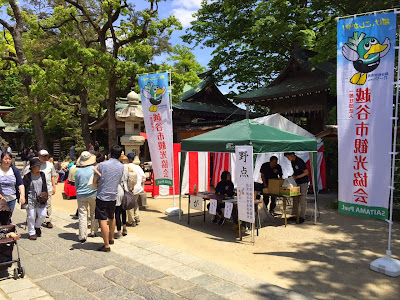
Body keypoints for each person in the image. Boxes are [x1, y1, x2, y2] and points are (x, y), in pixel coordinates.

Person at [93, 145, 124, 252]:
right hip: (113, 195)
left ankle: (106, 245)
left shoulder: (102, 165)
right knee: (112, 217)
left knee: (102, 219)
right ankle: (111, 238)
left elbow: (94, 181)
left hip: (102, 194)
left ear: (110, 153)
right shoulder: (121, 166)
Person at [75, 151, 98, 242]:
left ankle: (82, 235)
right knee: (94, 213)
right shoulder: (94, 169)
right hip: (93, 193)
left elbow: (76, 184)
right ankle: (93, 231)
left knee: (82, 215)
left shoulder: (78, 171)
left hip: (81, 194)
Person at [23, 158, 48, 240]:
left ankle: (37, 226)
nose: (39, 167)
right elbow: (24, 188)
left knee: (43, 214)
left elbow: (45, 186)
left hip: (41, 198)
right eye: (37, 166)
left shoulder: (42, 174)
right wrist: (23, 199)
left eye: (39, 165)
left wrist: (46, 195)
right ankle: (31, 232)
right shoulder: (27, 177)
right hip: (31, 198)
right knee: (31, 216)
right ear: (33, 167)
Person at [284, 152, 309, 224]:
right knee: (295, 199)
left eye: (288, 157)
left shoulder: (299, 161)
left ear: (292, 155)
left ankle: (302, 217)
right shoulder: (292, 162)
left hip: (303, 182)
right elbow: (296, 172)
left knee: (302, 199)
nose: (288, 159)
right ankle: (295, 215)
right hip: (297, 182)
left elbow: (306, 172)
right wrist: (292, 176)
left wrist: (297, 176)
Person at [38, 150, 56, 228]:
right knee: (38, 203)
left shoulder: (50, 165)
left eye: (46, 156)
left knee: (48, 204)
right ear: (39, 156)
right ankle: (37, 218)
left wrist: (54, 187)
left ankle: (48, 220)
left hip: (48, 187)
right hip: (38, 187)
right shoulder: (36, 164)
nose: (45, 157)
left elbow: (52, 176)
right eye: (43, 156)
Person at [126, 153, 145, 226]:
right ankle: (136, 216)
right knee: (135, 203)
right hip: (137, 188)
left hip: (129, 188)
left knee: (129, 205)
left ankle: (132, 220)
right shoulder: (138, 167)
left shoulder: (126, 166)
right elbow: (143, 177)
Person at [115, 153, 129, 238]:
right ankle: (124, 227)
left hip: (117, 188)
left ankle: (119, 231)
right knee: (123, 210)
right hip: (125, 188)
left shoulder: (115, 167)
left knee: (117, 211)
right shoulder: (126, 167)